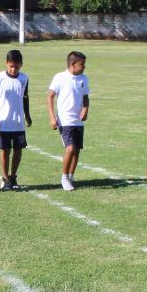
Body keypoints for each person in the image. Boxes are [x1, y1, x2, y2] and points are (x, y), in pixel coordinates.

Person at [0, 49, 32, 191]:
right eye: (11, 66)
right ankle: (5, 178)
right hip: (4, 122)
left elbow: (25, 98)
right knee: (5, 150)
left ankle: (13, 176)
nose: (13, 69)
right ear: (6, 64)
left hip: (18, 122)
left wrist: (27, 115)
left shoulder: (24, 78)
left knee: (18, 150)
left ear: (21, 65)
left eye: (17, 67)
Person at [48, 51, 90, 191]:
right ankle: (64, 177)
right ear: (72, 64)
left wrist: (85, 109)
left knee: (77, 150)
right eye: (81, 64)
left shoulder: (84, 79)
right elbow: (50, 97)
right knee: (70, 148)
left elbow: (85, 97)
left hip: (78, 121)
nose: (84, 67)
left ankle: (71, 176)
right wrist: (52, 117)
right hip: (65, 120)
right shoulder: (59, 77)